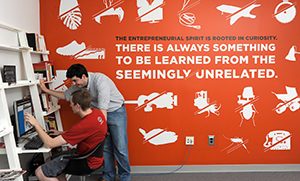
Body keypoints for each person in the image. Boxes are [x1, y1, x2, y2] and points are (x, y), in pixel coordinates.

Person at [39, 64, 131, 181]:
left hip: (115, 111)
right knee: (105, 148)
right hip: (100, 114)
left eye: (75, 81)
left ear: (83, 76)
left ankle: (125, 178)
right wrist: (46, 90)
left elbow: (103, 109)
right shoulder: (79, 84)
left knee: (120, 148)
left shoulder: (100, 81)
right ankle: (109, 176)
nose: (74, 84)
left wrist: (98, 131)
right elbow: (66, 96)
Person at [25, 89, 107, 181]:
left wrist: (36, 124)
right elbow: (87, 133)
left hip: (85, 162)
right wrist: (62, 133)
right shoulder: (97, 113)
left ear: (78, 106)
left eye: (71, 103)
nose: (70, 105)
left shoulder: (84, 125)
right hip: (93, 159)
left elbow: (50, 143)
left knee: (40, 172)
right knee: (50, 160)